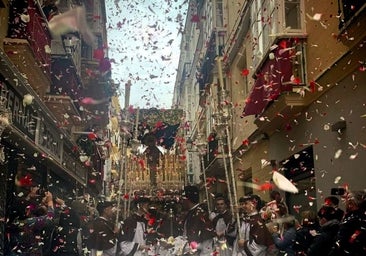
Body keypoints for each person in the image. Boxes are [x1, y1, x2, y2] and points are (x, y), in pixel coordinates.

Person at [329, 190, 366, 256]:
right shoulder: (352, 215)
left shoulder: (356, 217)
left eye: (349, 200)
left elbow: (343, 238)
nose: (346, 202)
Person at [181, 185, 215, 255]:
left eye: (183, 199)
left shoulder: (201, 214)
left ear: (187, 200)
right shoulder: (191, 213)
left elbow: (207, 239)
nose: (181, 202)